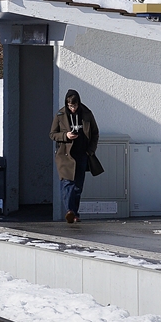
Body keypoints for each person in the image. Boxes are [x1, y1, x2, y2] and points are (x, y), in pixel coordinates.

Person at [50, 89, 100, 223]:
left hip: (82, 154)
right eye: (70, 106)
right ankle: (70, 211)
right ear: (66, 104)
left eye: (75, 106)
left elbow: (95, 133)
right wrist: (65, 136)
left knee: (78, 186)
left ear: (79, 103)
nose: (73, 108)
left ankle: (74, 213)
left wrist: (90, 150)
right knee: (67, 183)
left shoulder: (87, 114)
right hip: (65, 155)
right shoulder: (60, 114)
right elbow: (52, 134)